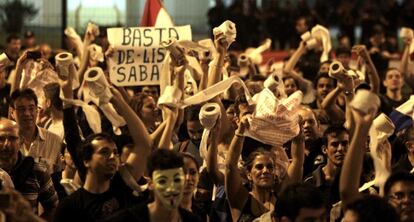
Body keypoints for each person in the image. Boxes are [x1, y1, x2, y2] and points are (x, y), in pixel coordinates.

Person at [54, 70, 152, 221]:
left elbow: (144, 144)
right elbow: (73, 139)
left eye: (115, 152)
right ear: (86, 161)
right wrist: (67, 99)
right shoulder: (69, 207)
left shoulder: (122, 185)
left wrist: (116, 100)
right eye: (104, 152)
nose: (113, 157)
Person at [105, 149, 201, 222]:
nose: (171, 188)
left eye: (176, 180)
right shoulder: (128, 218)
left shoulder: (193, 220)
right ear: (151, 184)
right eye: (163, 181)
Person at [0, 118, 58, 220]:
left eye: (12, 138)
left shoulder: (37, 170)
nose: (6, 145)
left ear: (21, 141)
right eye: (1, 138)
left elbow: (53, 207)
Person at [9, 88, 63, 174]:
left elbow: (59, 176)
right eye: (22, 109)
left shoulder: (55, 141)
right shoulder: (6, 142)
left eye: (31, 108)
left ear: (37, 110)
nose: (27, 113)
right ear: (12, 113)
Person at [305, 125, 349, 205]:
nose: (340, 148)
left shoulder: (357, 178)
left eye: (344, 144)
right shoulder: (310, 182)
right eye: (335, 144)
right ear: (324, 149)